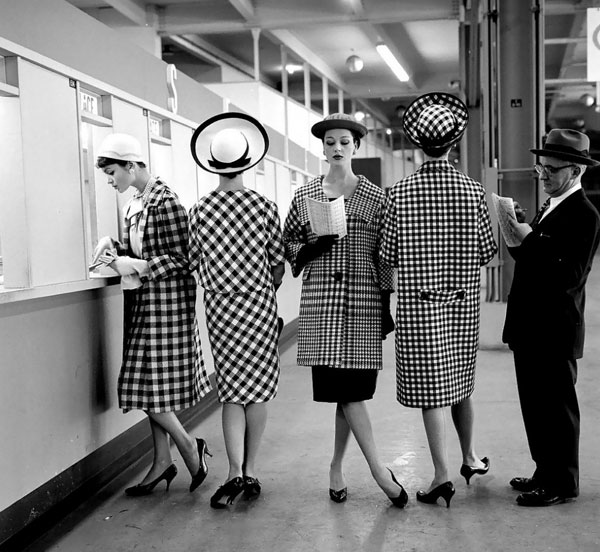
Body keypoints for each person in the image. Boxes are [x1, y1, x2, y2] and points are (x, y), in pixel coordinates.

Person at [283, 112, 407, 508]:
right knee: (346, 393)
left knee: (351, 393)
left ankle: (340, 466)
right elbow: (288, 245)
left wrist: (387, 302)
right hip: (321, 306)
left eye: (344, 141)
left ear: (356, 146)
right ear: (322, 147)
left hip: (363, 305)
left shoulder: (377, 197)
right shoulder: (305, 195)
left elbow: (385, 256)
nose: (336, 148)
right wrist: (310, 248)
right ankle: (376, 470)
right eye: (330, 141)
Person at [380, 93, 497, 507]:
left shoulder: (399, 193)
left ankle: (443, 474)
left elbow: (388, 255)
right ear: (454, 142)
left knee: (432, 388)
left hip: (418, 305)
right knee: (461, 380)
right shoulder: (472, 190)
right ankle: (468, 456)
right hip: (463, 304)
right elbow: (487, 251)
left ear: (417, 143)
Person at [91, 133, 212, 496]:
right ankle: (162, 462)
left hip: (167, 306)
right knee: (150, 388)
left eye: (113, 172)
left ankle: (189, 447)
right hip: (146, 302)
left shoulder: (165, 200)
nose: (110, 180)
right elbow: (144, 247)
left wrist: (140, 265)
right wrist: (116, 249)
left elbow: (187, 258)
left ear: (131, 165)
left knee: (145, 387)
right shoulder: (136, 201)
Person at [188, 113, 286, 508]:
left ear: (212, 163)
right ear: (249, 162)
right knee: (258, 391)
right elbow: (278, 262)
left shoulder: (200, 209)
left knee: (231, 392)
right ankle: (252, 470)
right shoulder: (263, 206)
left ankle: (232, 471)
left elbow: (194, 261)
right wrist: (263, 284)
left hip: (221, 309)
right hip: (258, 303)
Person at [502, 128, 600, 507]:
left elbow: (569, 275)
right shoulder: (552, 206)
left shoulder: (585, 215)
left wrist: (529, 240)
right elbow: (534, 262)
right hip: (531, 327)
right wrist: (521, 231)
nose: (543, 176)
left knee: (557, 411)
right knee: (536, 407)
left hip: (554, 329)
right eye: (540, 168)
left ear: (575, 172)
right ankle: (545, 471)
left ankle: (562, 483)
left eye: (551, 170)